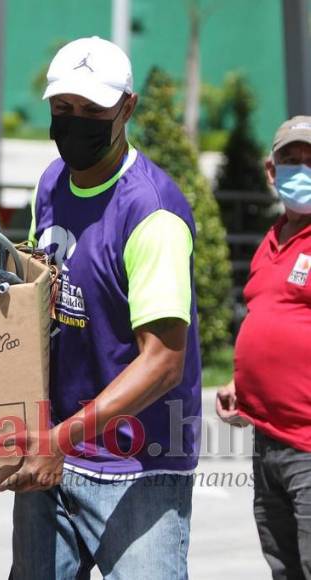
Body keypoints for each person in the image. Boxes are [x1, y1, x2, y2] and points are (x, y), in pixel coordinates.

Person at [0, 37, 202, 579]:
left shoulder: (152, 214)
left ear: (126, 108)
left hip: (139, 468)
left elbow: (162, 362)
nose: (75, 123)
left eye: (92, 111)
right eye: (63, 110)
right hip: (55, 457)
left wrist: (57, 441)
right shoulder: (51, 184)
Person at [216, 116, 311, 580]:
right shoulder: (272, 241)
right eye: (291, 161)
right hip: (268, 440)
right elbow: (272, 319)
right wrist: (243, 383)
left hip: (308, 445)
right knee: (283, 566)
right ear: (271, 172)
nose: (302, 171)